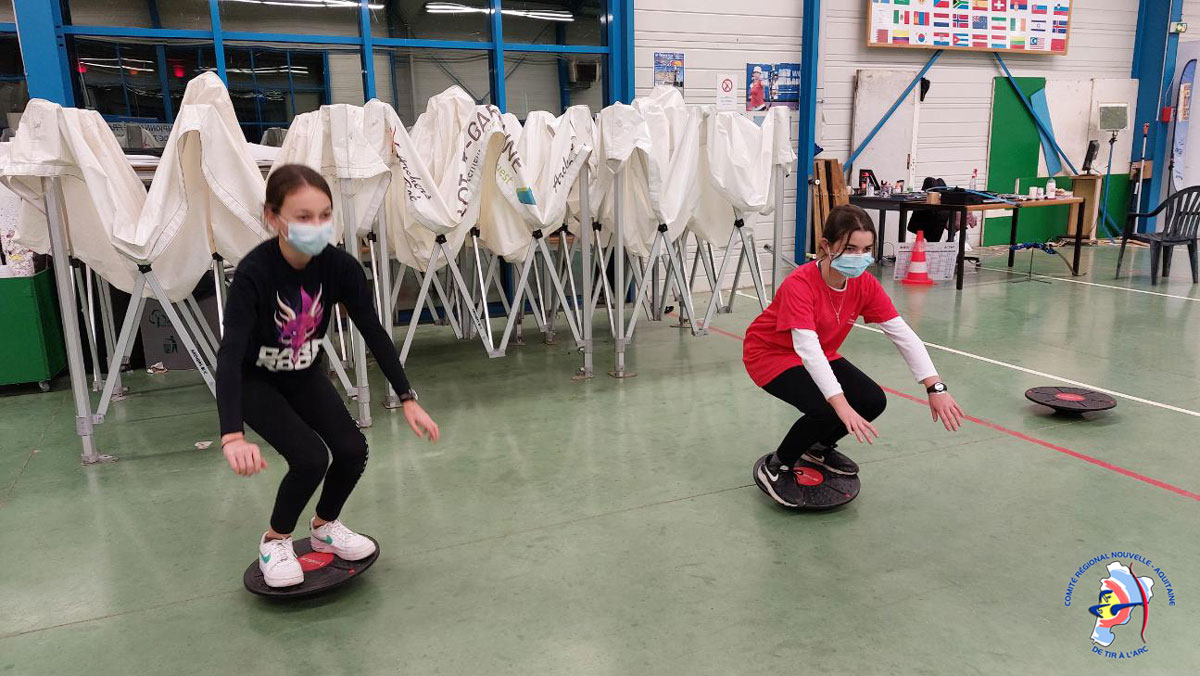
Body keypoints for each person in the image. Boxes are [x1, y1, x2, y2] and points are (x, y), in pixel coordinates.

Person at [217, 164, 440, 587]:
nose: (316, 225)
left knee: (352, 449)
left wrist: (407, 396)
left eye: (324, 215)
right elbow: (229, 355)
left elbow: (372, 329)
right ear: (273, 217)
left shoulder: (340, 267)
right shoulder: (254, 273)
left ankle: (324, 527)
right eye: (303, 217)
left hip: (302, 372)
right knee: (310, 458)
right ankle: (275, 540)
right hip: (255, 381)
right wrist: (232, 435)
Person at [742, 205, 965, 508]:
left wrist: (934, 387)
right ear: (826, 246)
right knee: (827, 410)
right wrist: (840, 404)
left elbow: (901, 333)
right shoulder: (799, 284)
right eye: (850, 248)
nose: (859, 257)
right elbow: (808, 349)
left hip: (822, 351)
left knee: (872, 400)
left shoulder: (864, 283)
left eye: (866, 249)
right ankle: (776, 466)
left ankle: (817, 449)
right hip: (770, 354)